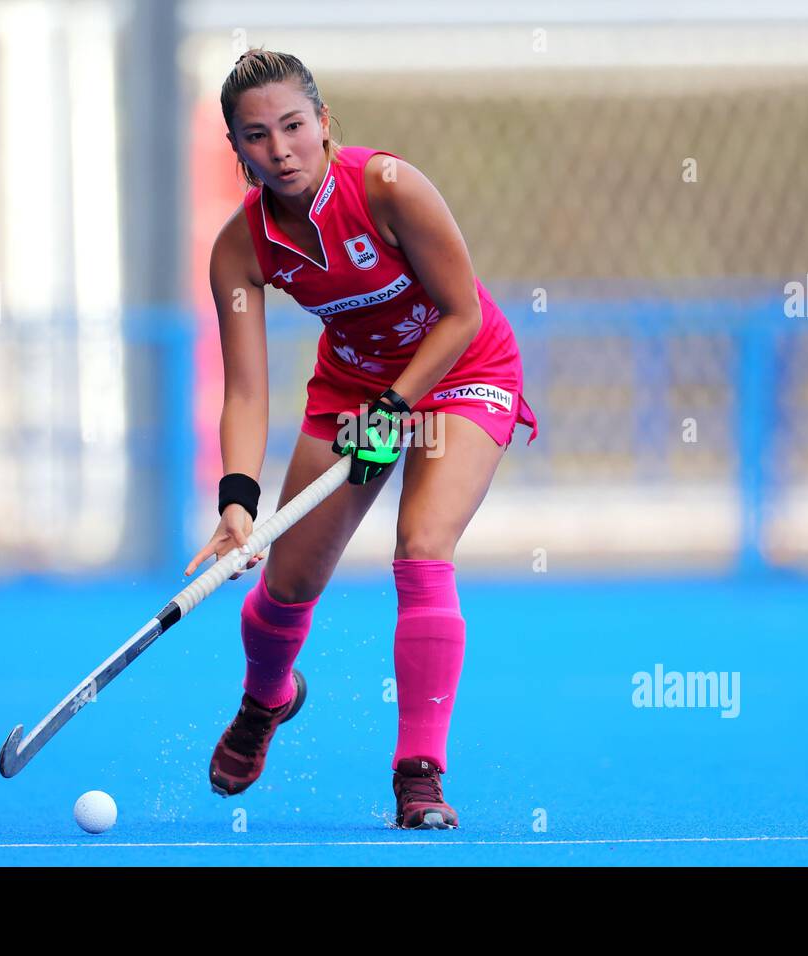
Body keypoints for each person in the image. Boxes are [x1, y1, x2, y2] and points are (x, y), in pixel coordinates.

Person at [184, 48, 538, 829]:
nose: (280, 149)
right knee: (288, 585)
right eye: (256, 136)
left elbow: (462, 313)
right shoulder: (240, 250)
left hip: (460, 369)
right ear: (236, 148)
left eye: (293, 126)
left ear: (323, 123)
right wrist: (237, 501)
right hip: (352, 386)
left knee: (420, 549)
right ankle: (265, 700)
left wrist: (397, 405)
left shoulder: (387, 188)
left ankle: (419, 777)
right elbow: (244, 390)